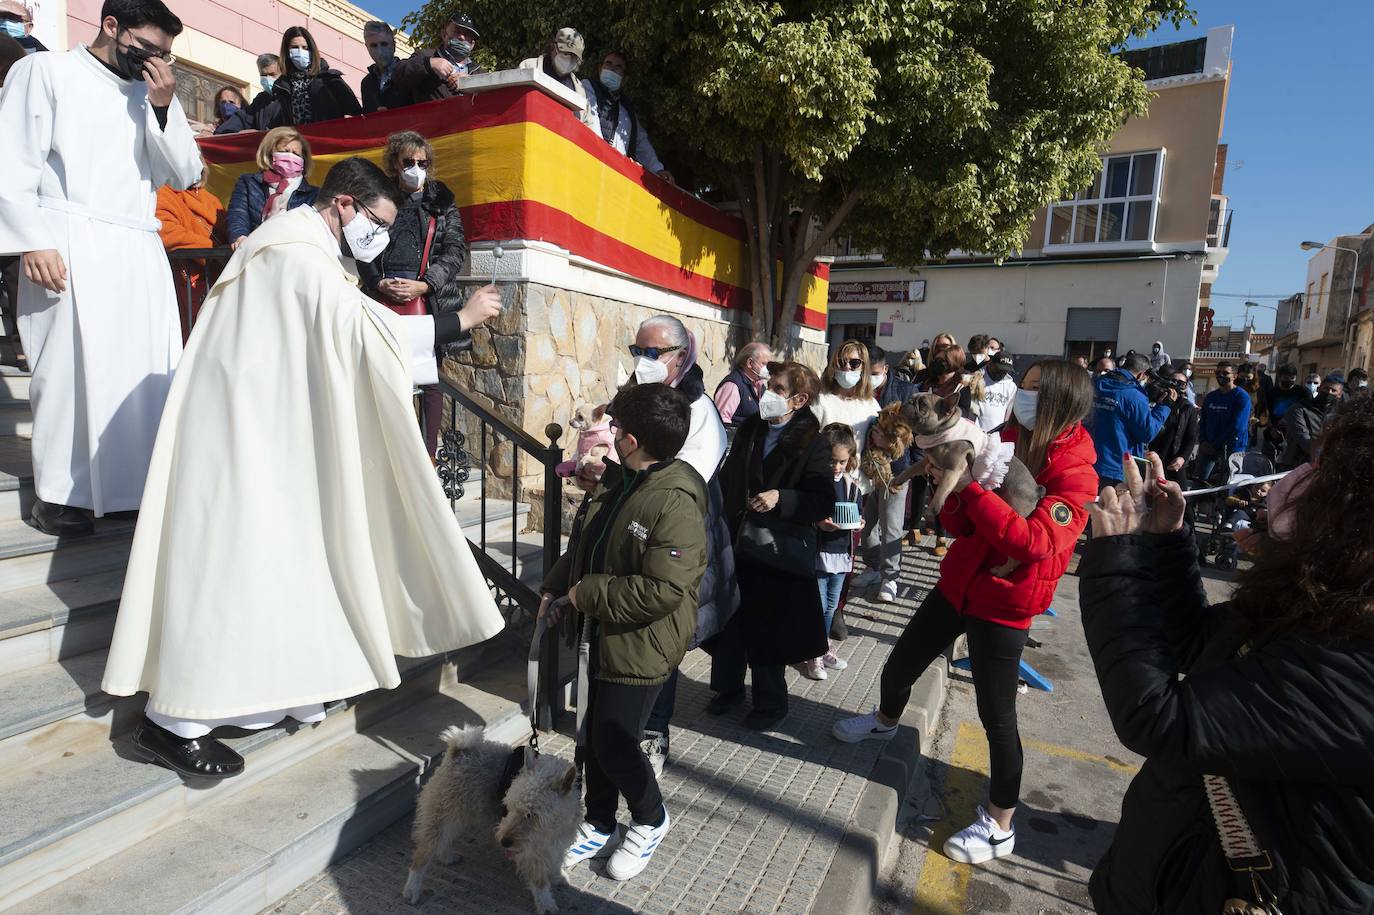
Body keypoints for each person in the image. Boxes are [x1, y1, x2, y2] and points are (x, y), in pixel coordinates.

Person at [102, 157, 507, 779]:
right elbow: (363, 337)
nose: (380, 237)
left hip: (271, 430)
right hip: (245, 441)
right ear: (345, 203)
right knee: (231, 567)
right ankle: (172, 721)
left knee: (288, 567)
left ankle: (282, 691)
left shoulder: (306, 252)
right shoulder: (292, 256)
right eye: (378, 220)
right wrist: (460, 321)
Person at [1078, 405, 1374, 915]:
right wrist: (1164, 541)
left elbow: (1160, 718)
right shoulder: (1322, 603)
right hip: (1175, 873)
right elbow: (1197, 644)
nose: (1295, 476)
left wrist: (1116, 561)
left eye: (1321, 471)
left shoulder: (1355, 661)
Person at [834, 359, 1097, 867]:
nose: (1023, 395)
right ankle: (887, 720)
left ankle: (999, 824)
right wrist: (945, 487)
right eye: (1024, 385)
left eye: (1036, 390)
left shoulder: (1076, 472)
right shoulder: (1000, 438)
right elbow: (959, 523)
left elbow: (1036, 542)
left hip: (1006, 604)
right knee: (900, 664)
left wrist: (970, 489)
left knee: (997, 717)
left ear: (1062, 403)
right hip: (958, 584)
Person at [0, 0, 203, 537]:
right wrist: (30, 240)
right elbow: (10, 159)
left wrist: (163, 107)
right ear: (112, 26)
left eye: (165, 54)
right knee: (66, 368)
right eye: (148, 48)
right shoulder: (44, 71)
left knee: (136, 371)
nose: (155, 61)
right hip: (66, 235)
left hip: (136, 245)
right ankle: (59, 495)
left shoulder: (152, 92)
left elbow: (184, 174)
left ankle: (128, 488)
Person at [543, 382, 706, 882]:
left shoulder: (674, 502)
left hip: (642, 644)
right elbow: (592, 546)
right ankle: (598, 821)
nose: (609, 435)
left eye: (614, 429)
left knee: (615, 740)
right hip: (603, 633)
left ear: (632, 441)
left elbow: (661, 590)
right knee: (590, 736)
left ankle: (651, 819)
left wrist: (584, 594)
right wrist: (554, 589)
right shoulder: (627, 481)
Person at [576, 314, 730, 777]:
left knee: (658, 647)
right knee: (620, 651)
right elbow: (625, 463)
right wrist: (599, 475)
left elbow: (675, 488)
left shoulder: (700, 414)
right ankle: (612, 748)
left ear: (680, 358)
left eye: (652, 353)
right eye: (637, 351)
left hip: (666, 548)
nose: (641, 361)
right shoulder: (637, 394)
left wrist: (618, 478)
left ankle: (652, 737)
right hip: (625, 540)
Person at [710, 361, 832, 730]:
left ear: (799, 399)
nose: (768, 392)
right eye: (769, 384)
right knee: (729, 623)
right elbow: (729, 478)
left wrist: (782, 497)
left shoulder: (814, 441)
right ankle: (727, 691)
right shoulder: (750, 429)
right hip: (737, 540)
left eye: (778, 388)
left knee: (768, 631)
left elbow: (823, 500)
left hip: (777, 550)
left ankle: (770, 704)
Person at [357, 130, 468, 458]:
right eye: (408, 162)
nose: (415, 168)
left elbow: (454, 248)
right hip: (382, 297)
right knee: (384, 376)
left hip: (427, 299)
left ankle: (427, 456)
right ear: (395, 162)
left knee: (429, 379)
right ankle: (388, 453)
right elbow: (361, 246)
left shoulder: (441, 198)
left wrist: (426, 284)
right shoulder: (378, 195)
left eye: (422, 162)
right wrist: (378, 282)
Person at [851, 343, 916, 603]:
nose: (871, 378)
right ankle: (872, 567)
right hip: (866, 470)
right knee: (866, 526)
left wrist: (890, 446)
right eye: (867, 372)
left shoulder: (905, 393)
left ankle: (891, 578)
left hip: (895, 474)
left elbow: (915, 438)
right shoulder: (857, 391)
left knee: (891, 528)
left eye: (875, 372)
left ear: (886, 369)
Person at [912, 342, 975, 556]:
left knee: (940, 490)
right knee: (920, 486)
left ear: (954, 364)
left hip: (946, 448)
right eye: (936, 360)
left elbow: (962, 416)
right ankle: (913, 530)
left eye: (943, 362)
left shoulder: (961, 390)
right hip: (921, 441)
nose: (937, 365)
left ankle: (940, 536)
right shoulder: (927, 381)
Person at [156, 164, 226, 340]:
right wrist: (213, 252)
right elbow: (167, 232)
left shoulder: (212, 199)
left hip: (218, 281)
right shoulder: (163, 193)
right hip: (187, 281)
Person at [583, 51, 672, 181]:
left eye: (618, 67)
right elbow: (590, 119)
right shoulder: (587, 86)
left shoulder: (627, 109)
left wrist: (657, 169)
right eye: (608, 64)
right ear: (599, 68)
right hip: (590, 163)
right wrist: (602, 153)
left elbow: (640, 141)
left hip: (616, 175)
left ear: (624, 78)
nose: (612, 68)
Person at [813, 423, 858, 676]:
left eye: (842, 461)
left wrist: (859, 521)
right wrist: (819, 522)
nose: (837, 467)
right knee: (819, 605)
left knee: (831, 605)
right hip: (820, 553)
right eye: (832, 461)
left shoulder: (851, 486)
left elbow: (857, 511)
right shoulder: (817, 482)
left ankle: (822, 647)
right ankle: (813, 651)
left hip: (842, 553)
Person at [226, 127, 319, 250]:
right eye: (285, 151)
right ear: (269, 154)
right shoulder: (248, 183)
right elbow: (238, 214)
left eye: (296, 154)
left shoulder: (314, 194)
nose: (290, 157)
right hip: (255, 253)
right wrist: (240, 238)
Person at [1088, 351, 1169, 490]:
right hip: (1118, 468)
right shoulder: (1134, 396)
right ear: (1141, 374)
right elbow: (1147, 433)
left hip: (1089, 461)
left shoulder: (1094, 385)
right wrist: (1164, 407)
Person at [270, 26, 361, 126]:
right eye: (295, 47)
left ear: (312, 51)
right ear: (287, 52)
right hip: (298, 139)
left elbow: (355, 112)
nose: (300, 51)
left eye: (305, 48)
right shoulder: (281, 87)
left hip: (326, 138)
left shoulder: (329, 79)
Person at [393, 11, 484, 105]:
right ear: (444, 34)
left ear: (472, 44)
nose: (461, 37)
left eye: (467, 34)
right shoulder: (426, 55)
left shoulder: (480, 73)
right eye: (457, 31)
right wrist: (428, 63)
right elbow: (398, 74)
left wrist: (472, 83)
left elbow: (492, 103)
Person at [520, 27, 596, 129]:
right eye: (566, 53)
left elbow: (587, 126)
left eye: (574, 56)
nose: (569, 59)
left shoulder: (579, 89)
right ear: (554, 47)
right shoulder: (528, 66)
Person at [809, 338, 879, 446]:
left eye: (854, 363)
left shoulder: (871, 405)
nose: (847, 367)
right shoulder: (820, 401)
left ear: (863, 368)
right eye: (841, 362)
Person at [1195, 360, 1252, 484]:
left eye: (1225, 373)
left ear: (1235, 376)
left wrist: (1216, 445)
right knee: (1199, 484)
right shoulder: (1211, 397)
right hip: (1207, 448)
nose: (1221, 375)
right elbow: (1203, 421)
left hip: (1232, 450)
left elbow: (1238, 427)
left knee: (1228, 487)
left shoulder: (1242, 397)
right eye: (1218, 372)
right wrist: (1203, 441)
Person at [1148, 368, 1197, 491]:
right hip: (1156, 456)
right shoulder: (1159, 403)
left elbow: (1191, 438)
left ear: (1186, 387)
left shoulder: (1188, 408)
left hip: (1175, 460)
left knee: (1182, 497)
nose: (1176, 385)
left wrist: (1182, 458)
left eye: (1181, 383)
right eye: (1173, 381)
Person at [1280, 373, 1342, 469]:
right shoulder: (1299, 409)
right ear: (1319, 388)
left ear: (1339, 395)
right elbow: (1303, 439)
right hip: (1297, 466)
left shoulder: (1340, 415)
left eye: (1333, 390)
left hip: (1324, 467)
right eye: (1326, 388)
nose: (1329, 392)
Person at [214, 54, 282, 134]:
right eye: (263, 75)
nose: (267, 79)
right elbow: (243, 118)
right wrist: (218, 133)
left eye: (272, 75)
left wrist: (259, 133)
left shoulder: (292, 98)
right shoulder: (261, 100)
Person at [712, 340, 771, 426]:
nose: (767, 369)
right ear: (750, 363)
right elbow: (721, 419)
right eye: (764, 364)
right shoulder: (733, 385)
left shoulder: (760, 385)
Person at [359, 21, 405, 114]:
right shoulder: (367, 83)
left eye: (384, 44)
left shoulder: (407, 72)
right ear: (367, 48)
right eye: (373, 46)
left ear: (394, 45)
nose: (380, 51)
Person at [976, 351, 1017, 433]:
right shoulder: (977, 379)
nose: (1001, 373)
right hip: (975, 431)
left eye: (1005, 371)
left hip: (996, 435)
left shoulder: (1011, 387)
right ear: (991, 364)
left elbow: (1008, 416)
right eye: (999, 369)